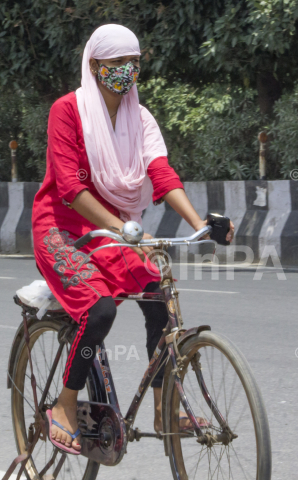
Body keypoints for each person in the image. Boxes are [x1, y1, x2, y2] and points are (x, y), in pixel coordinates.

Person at [32, 24, 234, 454]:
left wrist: (202, 224)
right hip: (62, 229)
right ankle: (65, 405)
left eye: (134, 63)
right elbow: (70, 186)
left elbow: (160, 172)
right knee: (100, 310)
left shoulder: (139, 118)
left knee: (159, 296)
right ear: (95, 65)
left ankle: (165, 407)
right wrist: (122, 228)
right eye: (117, 63)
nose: (126, 71)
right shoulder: (66, 112)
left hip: (116, 229)